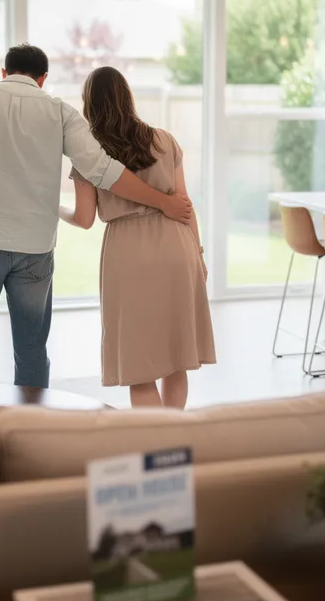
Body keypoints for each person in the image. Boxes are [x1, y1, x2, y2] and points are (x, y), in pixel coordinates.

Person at [0, 45, 193, 388]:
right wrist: (163, 202)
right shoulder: (61, 112)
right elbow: (103, 170)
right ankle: (33, 430)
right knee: (32, 348)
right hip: (34, 248)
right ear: (43, 78)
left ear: (4, 73)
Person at [59, 66, 215, 409]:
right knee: (177, 357)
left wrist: (54, 208)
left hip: (128, 254)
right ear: (127, 97)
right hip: (177, 245)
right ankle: (172, 439)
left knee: (139, 365)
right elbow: (185, 205)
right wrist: (199, 255)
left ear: (89, 104)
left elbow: (84, 219)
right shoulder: (165, 140)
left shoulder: (89, 153)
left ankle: (154, 443)